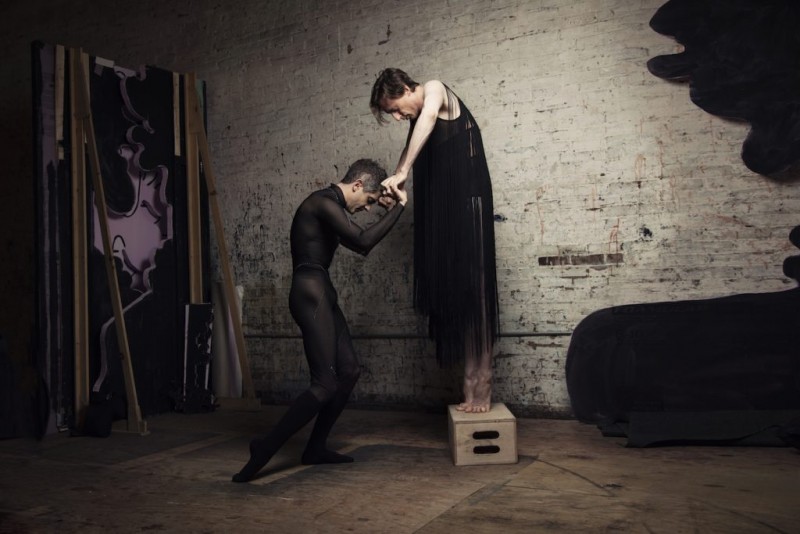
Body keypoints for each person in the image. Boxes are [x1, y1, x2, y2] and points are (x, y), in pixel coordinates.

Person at [232, 159, 406, 483]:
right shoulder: (322, 203)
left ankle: (315, 448)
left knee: (349, 370)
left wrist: (387, 206)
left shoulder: (332, 209)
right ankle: (264, 449)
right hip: (309, 293)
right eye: (368, 200)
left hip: (322, 291)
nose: (368, 208)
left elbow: (358, 240)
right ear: (357, 185)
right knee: (324, 384)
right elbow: (363, 242)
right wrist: (400, 208)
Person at [370, 68, 499, 413]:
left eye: (395, 108)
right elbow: (409, 152)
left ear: (405, 88)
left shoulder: (435, 90)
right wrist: (395, 183)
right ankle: (470, 373)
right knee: (459, 289)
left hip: (469, 201)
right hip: (447, 208)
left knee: (477, 289)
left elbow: (427, 120)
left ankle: (483, 376)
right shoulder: (415, 122)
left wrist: (402, 172)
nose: (397, 117)